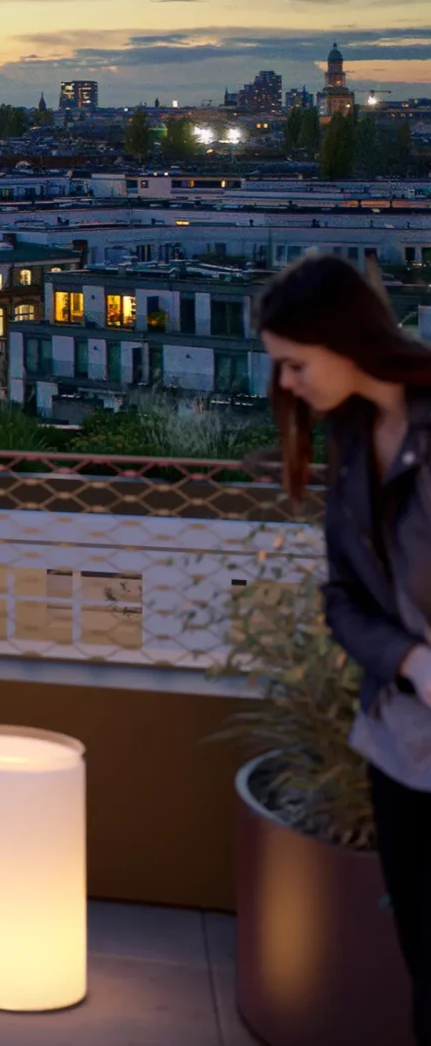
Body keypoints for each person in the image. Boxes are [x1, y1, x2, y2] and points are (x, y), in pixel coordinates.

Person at [258, 254, 431, 1044]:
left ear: (342, 339)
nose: (287, 385)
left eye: (295, 363)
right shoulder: (353, 438)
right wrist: (410, 661)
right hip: (403, 750)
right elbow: (342, 598)